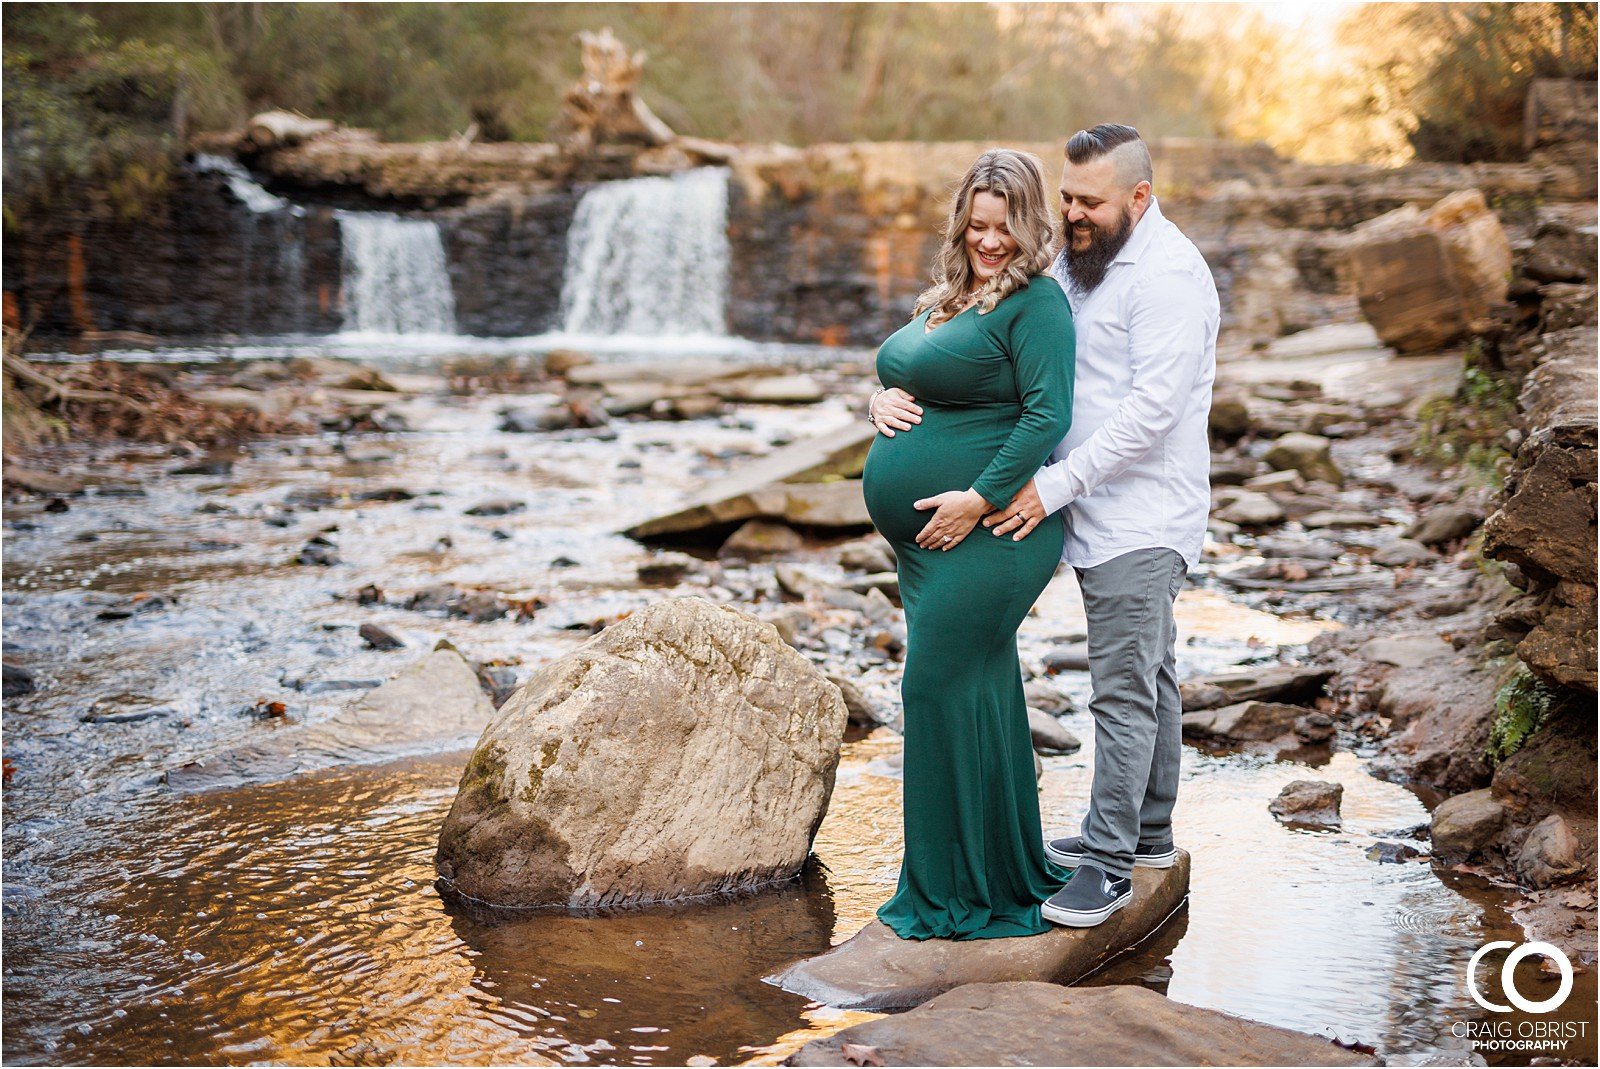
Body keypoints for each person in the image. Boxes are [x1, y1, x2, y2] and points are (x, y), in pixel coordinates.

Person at [870, 124, 1219, 928]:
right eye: (1066, 197)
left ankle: (1106, 864)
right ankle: (1150, 833)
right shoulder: (1077, 259)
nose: (1073, 213)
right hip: (1079, 506)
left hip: (1140, 514)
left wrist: (1043, 485)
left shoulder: (1167, 276)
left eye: (1089, 201)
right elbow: (985, 354)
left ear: (1139, 196)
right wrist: (883, 401)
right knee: (1153, 673)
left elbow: (1150, 414)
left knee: (1123, 687)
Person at [860, 147, 1076, 940]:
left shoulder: (1038, 305)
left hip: (993, 534)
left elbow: (1047, 415)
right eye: (978, 225)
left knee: (931, 687)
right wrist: (878, 399)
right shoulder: (955, 296)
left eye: (1005, 227)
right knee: (982, 687)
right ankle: (1002, 869)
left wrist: (977, 498)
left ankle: (950, 894)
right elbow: (904, 371)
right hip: (929, 546)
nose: (990, 241)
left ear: (1030, 225)